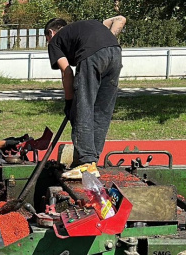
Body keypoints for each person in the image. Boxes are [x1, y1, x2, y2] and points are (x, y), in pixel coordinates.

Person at [44, 15, 126, 179]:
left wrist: (69, 103)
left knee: (83, 107)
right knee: (102, 111)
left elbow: (67, 72)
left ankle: (86, 162)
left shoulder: (55, 41)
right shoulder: (89, 26)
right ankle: (92, 161)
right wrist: (108, 39)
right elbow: (120, 19)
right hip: (115, 53)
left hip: (91, 57)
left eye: (46, 39)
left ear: (50, 33)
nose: (47, 43)